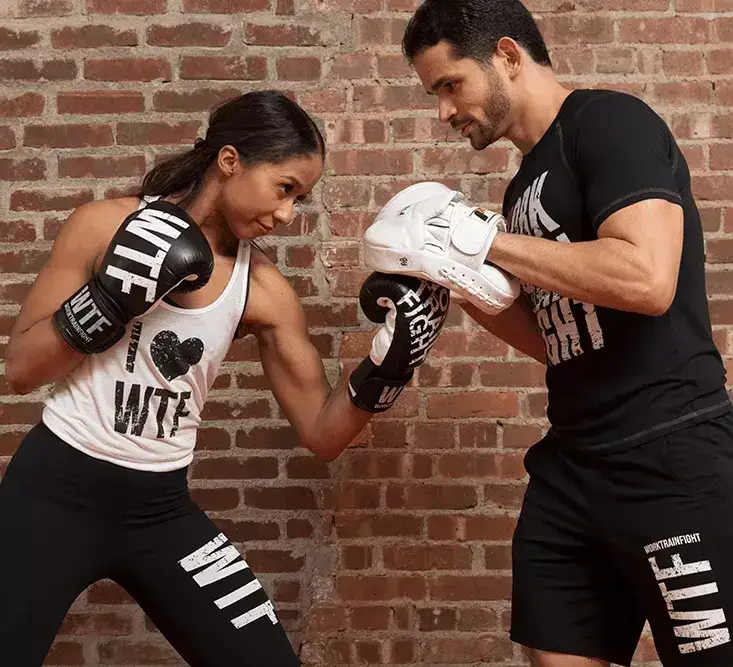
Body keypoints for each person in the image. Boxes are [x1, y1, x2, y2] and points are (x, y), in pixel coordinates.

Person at [2, 89, 450, 667]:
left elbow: (322, 433)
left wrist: (388, 368)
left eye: (301, 199)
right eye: (284, 188)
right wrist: (109, 299)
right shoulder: (104, 226)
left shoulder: (262, 290)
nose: (288, 214)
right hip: (54, 491)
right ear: (231, 160)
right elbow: (19, 369)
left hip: (159, 508)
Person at [362, 1, 733, 665]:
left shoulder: (609, 124)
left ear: (506, 55)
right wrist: (457, 277)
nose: (443, 111)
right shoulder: (521, 188)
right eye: (433, 94)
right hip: (573, 465)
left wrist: (483, 242)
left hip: (668, 456)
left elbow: (646, 278)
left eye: (450, 85)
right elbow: (559, 338)